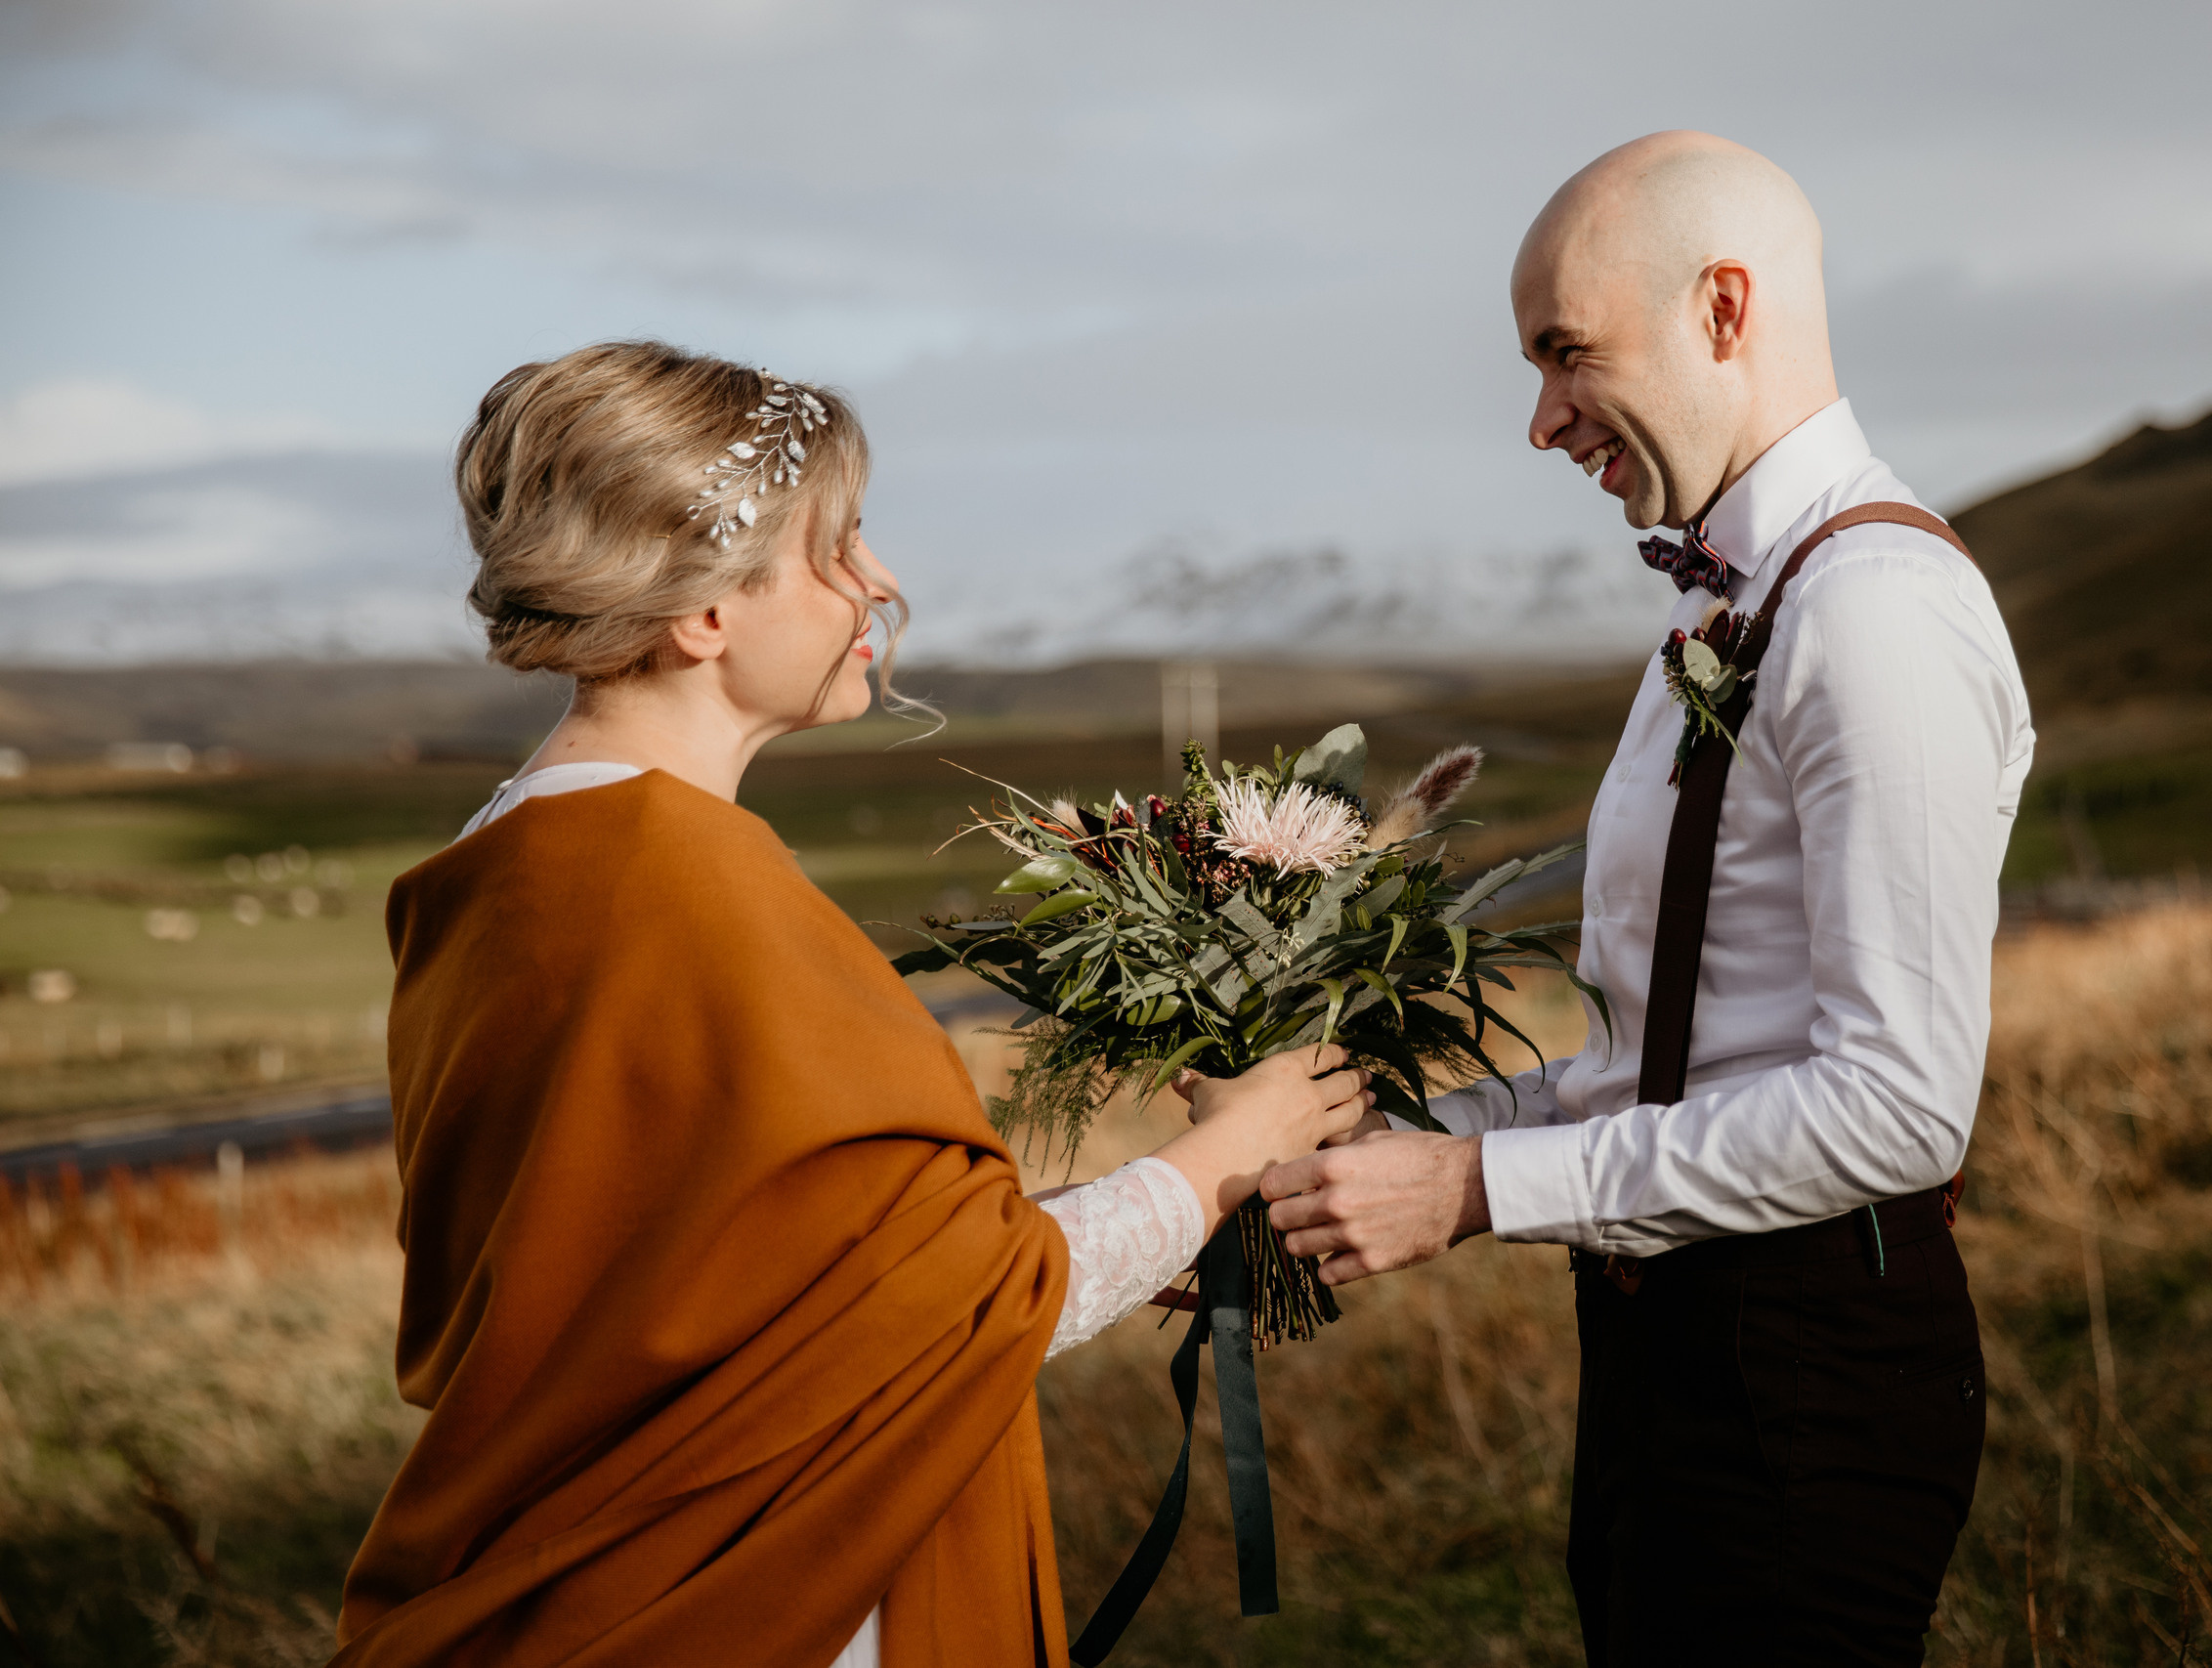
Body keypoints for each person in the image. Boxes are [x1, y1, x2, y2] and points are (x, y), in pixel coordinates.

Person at [332, 340, 1371, 1668]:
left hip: (588, 1557)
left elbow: (765, 1291)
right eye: (840, 546)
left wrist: (1132, 1228)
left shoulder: (516, 853)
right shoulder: (688, 887)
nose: (879, 585)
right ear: (706, 611)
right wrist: (1227, 1158)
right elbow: (960, 1302)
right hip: (767, 1599)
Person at [1260, 133, 2035, 1663]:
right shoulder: (1722, 606)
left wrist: (1479, 1195)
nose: (1543, 420)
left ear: (1724, 310)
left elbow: (1898, 1110)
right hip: (1659, 1341)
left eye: (1566, 353)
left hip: (1808, 1364)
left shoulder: (1874, 616)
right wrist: (1398, 1148)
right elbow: (1661, 1061)